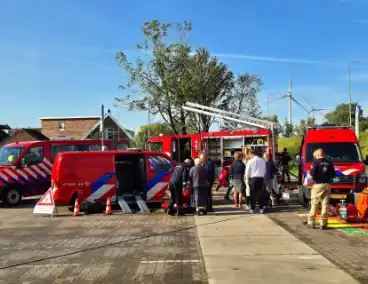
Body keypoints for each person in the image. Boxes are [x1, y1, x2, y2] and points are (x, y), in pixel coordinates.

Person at [306, 148, 336, 230]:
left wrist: (311, 176)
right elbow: (333, 175)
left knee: (315, 203)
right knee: (325, 204)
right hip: (327, 185)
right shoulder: (330, 163)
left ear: (318, 154)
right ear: (323, 154)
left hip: (318, 185)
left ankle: (311, 222)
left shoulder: (316, 162)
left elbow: (311, 175)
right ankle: (323, 223)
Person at [245, 148, 266, 214]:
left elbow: (247, 171)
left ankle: (252, 209)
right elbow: (264, 170)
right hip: (261, 178)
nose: (249, 156)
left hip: (253, 179)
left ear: (252, 154)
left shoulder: (250, 161)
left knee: (252, 195)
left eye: (249, 154)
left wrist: (247, 179)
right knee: (260, 194)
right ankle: (261, 209)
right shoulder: (262, 160)